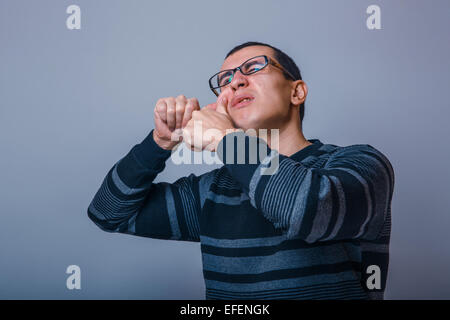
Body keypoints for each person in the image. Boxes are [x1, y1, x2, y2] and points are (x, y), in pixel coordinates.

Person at [87, 41, 395, 300]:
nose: (235, 81)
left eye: (253, 67)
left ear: (297, 92)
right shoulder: (212, 191)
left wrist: (225, 140)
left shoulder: (362, 164)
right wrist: (160, 141)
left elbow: (307, 209)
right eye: (225, 79)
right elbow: (108, 213)